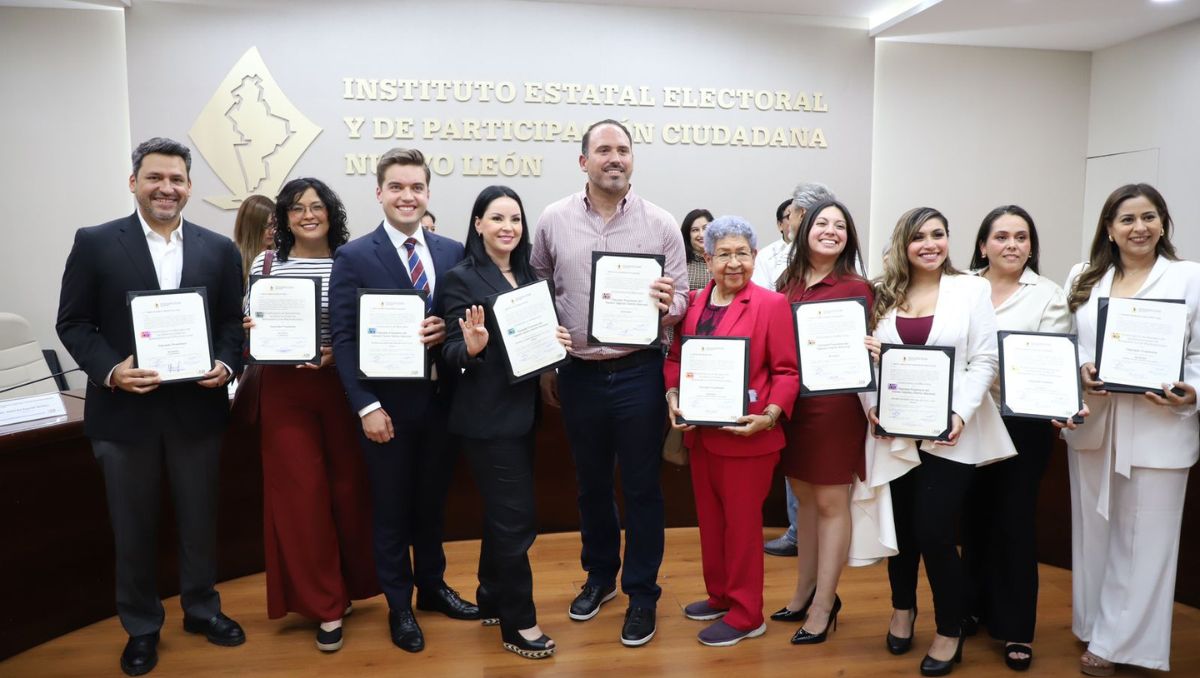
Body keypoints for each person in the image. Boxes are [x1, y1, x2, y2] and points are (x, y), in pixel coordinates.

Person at [56, 137, 246, 676]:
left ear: (189, 186)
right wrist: (112, 369)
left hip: (198, 411)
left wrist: (227, 365)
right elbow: (73, 322)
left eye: (178, 179)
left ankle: (202, 610)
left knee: (199, 520)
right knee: (133, 527)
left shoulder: (218, 248)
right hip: (124, 416)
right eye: (156, 178)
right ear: (134, 181)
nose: (167, 188)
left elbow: (233, 323)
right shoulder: (95, 242)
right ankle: (141, 627)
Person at [531, 119, 687, 647]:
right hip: (577, 374)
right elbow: (538, 290)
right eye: (603, 150)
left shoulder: (661, 224)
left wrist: (670, 306)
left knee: (643, 488)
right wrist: (548, 363)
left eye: (622, 150)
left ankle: (642, 592)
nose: (614, 157)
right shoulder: (553, 220)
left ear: (632, 160)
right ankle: (601, 578)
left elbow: (684, 299)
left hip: (638, 371)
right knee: (591, 485)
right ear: (584, 162)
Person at [328, 147, 477, 654]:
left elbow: (466, 323)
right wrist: (365, 405)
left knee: (432, 507)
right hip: (387, 411)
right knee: (390, 510)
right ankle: (399, 605)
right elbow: (345, 340)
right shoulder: (353, 256)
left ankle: (432, 589)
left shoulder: (452, 251)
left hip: (443, 405)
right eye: (397, 187)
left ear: (428, 193)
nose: (407, 196)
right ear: (379, 193)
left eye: (416, 187)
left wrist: (448, 331)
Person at [856, 207, 1015, 677]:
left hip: (951, 434)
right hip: (894, 431)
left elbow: (983, 361)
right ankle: (902, 609)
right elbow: (864, 360)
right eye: (919, 236)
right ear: (903, 244)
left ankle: (950, 629)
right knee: (902, 531)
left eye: (939, 234)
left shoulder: (971, 289)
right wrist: (871, 409)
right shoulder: (882, 293)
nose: (930, 244)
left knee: (934, 531)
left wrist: (959, 414)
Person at [1064, 184, 1200, 676]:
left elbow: (1199, 355)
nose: (1138, 227)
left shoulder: (1189, 278)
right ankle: (1095, 623)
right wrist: (1081, 368)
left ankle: (1120, 644)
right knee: (1095, 532)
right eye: (1127, 219)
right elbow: (1068, 341)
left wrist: (1193, 390)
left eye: (1149, 217)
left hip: (1160, 424)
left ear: (1163, 223)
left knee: (1146, 539)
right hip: (1095, 425)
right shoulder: (1085, 275)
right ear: (1109, 228)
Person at [243, 178, 378, 653]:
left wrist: (335, 354)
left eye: (317, 206)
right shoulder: (266, 264)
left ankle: (352, 586)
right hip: (285, 391)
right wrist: (254, 328)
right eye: (297, 208)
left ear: (330, 212)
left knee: (347, 490)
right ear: (284, 216)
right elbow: (249, 327)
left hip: (340, 386)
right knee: (302, 496)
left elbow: (367, 325)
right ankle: (324, 607)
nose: (308, 215)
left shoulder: (351, 260)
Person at [440, 185, 573, 660]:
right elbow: (448, 352)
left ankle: (491, 594)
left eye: (515, 219)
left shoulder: (530, 276)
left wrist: (555, 340)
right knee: (517, 520)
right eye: (497, 218)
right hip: (485, 419)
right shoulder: (460, 278)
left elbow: (536, 344)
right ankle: (520, 623)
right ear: (478, 224)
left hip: (524, 415)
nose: (507, 227)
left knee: (504, 516)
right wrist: (470, 349)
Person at [665, 216, 799, 646]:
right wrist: (672, 395)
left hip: (749, 438)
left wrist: (773, 413)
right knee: (712, 522)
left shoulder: (771, 304)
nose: (734, 262)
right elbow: (674, 360)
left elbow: (787, 370)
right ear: (707, 258)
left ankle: (746, 614)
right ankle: (721, 594)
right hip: (702, 436)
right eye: (724, 254)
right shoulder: (694, 302)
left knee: (742, 529)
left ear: (755, 257)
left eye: (742, 253)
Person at [961, 205, 1078, 671]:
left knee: (1013, 521)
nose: (1012, 245)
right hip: (967, 420)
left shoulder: (1048, 295)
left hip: (1021, 424)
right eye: (1002, 236)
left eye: (1022, 237)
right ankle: (972, 607)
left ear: (1032, 245)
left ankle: (1016, 629)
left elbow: (1048, 363)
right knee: (971, 517)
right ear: (984, 244)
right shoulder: (962, 287)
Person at [770, 200, 874, 646]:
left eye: (840, 226)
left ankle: (824, 603)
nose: (831, 231)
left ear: (848, 237)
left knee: (832, 505)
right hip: (793, 408)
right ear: (804, 229)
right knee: (805, 503)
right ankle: (802, 592)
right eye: (822, 224)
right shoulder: (785, 283)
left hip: (835, 410)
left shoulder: (857, 287)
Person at [761, 182, 836, 559]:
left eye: (791, 214)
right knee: (797, 469)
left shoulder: (849, 268)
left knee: (828, 482)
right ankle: (798, 533)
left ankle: (825, 542)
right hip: (787, 374)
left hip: (834, 383)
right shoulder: (776, 263)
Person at [750, 198, 796, 294]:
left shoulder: (818, 251)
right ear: (780, 225)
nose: (796, 220)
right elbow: (760, 293)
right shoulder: (765, 255)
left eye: (802, 216)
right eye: (790, 216)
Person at [232, 194, 275, 289]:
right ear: (251, 227)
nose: (272, 231)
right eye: (267, 226)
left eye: (275, 224)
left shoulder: (282, 253)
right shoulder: (232, 256)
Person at [680, 208, 714, 290]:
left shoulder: (721, 260)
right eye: (695, 230)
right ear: (688, 235)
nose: (701, 234)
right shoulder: (680, 263)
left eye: (705, 228)